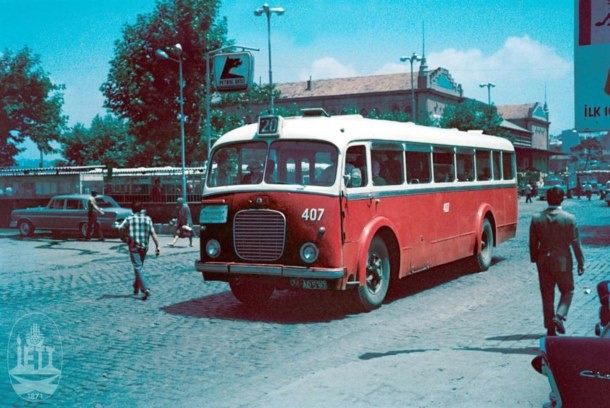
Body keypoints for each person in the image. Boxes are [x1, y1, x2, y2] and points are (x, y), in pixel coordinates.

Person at [529, 186, 585, 336]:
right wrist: (581, 262)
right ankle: (559, 316)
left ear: (547, 199)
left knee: (547, 294)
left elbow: (533, 243)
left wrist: (536, 259)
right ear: (563, 199)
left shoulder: (536, 218)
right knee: (568, 290)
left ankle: (550, 327)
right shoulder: (569, 218)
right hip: (563, 262)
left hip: (544, 261)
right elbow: (575, 242)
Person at [119, 202, 160, 300]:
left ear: (132, 210)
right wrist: (157, 246)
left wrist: (123, 237)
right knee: (139, 266)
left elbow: (120, 228)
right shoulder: (148, 219)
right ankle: (136, 286)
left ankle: (145, 289)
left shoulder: (129, 218)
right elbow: (153, 233)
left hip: (133, 246)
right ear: (141, 209)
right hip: (144, 246)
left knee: (138, 267)